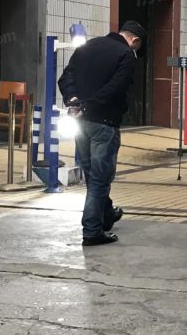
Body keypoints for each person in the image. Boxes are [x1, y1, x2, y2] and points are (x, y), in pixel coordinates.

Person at [57, 20, 145, 246]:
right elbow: (116, 88)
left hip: (80, 122)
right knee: (100, 179)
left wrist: (74, 100)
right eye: (137, 46)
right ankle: (92, 231)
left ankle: (107, 214)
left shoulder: (88, 46)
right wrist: (90, 105)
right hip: (104, 123)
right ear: (134, 40)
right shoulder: (126, 55)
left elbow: (65, 78)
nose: (135, 50)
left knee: (92, 175)